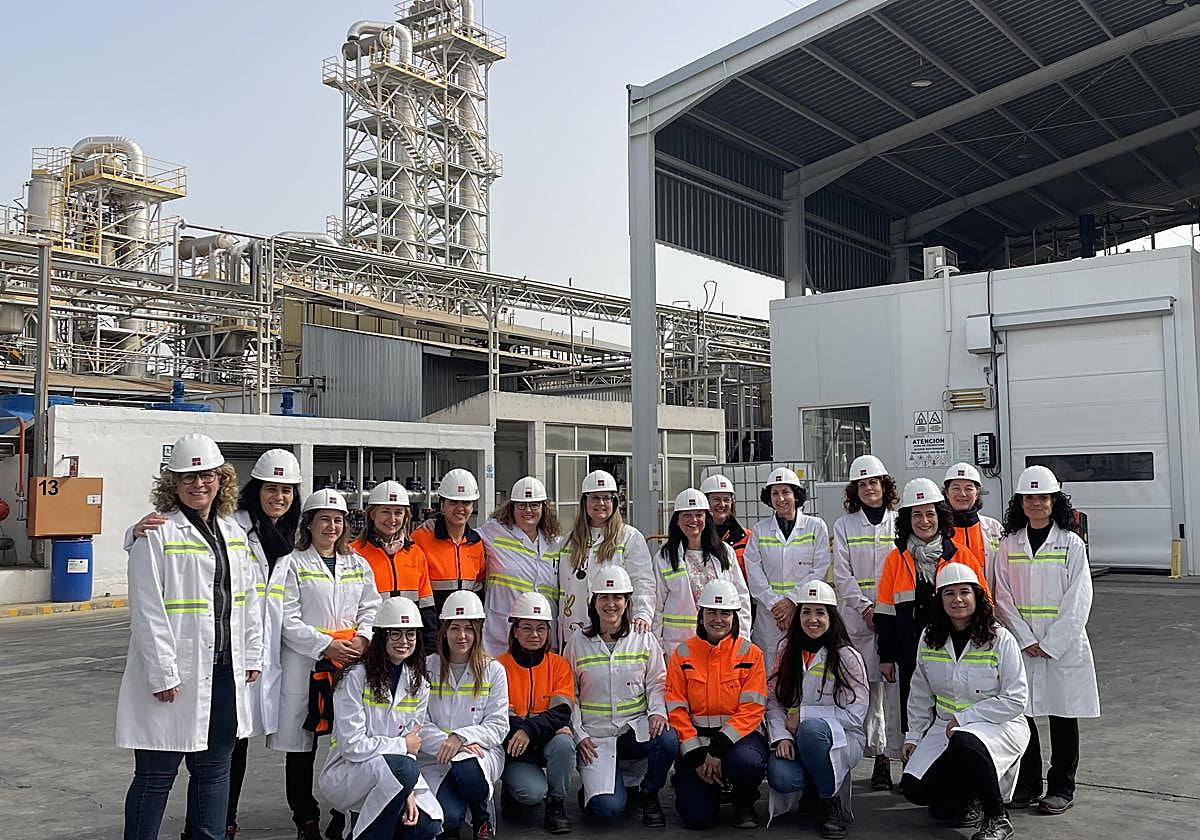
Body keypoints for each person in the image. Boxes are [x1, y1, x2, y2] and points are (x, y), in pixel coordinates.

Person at [125, 447, 301, 838]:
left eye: (207, 476)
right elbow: (148, 611)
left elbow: (249, 601)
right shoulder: (156, 533)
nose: (199, 484)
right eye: (188, 477)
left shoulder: (234, 532)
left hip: (225, 672)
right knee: (156, 776)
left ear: (222, 480)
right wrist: (162, 674)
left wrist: (252, 654)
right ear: (172, 484)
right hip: (175, 674)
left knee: (214, 772)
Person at [272, 488, 381, 840]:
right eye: (324, 519)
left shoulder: (357, 563)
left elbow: (372, 606)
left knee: (348, 741)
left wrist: (363, 638)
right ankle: (305, 818)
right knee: (302, 748)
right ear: (309, 523)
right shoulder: (292, 563)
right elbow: (286, 619)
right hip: (307, 667)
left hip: (349, 665)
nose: (331, 526)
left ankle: (342, 812)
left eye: (338, 520)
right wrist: (326, 645)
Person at [991, 465, 1099, 816]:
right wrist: (1024, 638)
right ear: (1020, 502)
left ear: (1055, 501)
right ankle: (1027, 784)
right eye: (1029, 497)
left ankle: (1062, 788)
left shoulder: (1071, 544)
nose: (1035, 503)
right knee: (1023, 715)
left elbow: (1079, 598)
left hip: (1061, 647)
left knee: (1062, 714)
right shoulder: (1009, 544)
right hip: (1022, 643)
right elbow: (1002, 596)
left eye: (1042, 497)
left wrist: (1052, 643)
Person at [900, 563, 1029, 840]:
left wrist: (965, 718)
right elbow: (920, 691)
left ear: (977, 597)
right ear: (940, 600)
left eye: (964, 592)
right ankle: (969, 799)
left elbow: (1016, 699)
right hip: (946, 724)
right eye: (949, 594)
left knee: (964, 741)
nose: (957, 599)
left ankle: (998, 818)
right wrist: (913, 736)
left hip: (998, 725)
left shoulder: (999, 638)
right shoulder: (930, 637)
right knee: (914, 788)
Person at [318, 597, 443, 840]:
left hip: (395, 773)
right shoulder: (354, 677)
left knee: (425, 826)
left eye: (410, 634)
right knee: (402, 769)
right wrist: (402, 746)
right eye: (395, 634)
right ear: (381, 636)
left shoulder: (418, 682)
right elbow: (353, 746)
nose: (404, 642)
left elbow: (409, 751)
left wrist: (406, 788)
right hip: (350, 772)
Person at [875, 478, 988, 735]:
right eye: (917, 515)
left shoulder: (960, 555)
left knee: (954, 709)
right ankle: (915, 765)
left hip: (956, 649)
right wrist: (886, 657)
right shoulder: (896, 559)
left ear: (940, 516)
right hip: (910, 650)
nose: (924, 521)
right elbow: (885, 612)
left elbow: (984, 603)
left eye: (930, 514)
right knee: (914, 712)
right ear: (907, 519)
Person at [565, 566, 676, 827]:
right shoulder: (577, 642)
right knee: (607, 810)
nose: (611, 604)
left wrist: (658, 711)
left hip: (633, 732)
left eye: (617, 597)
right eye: (604, 597)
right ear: (594, 602)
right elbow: (570, 694)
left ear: (627, 602)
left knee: (668, 739)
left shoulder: (643, 638)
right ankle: (602, 791)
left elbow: (657, 682)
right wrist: (579, 735)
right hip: (597, 738)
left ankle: (649, 792)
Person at [765, 580, 868, 839]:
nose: (813, 619)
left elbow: (856, 713)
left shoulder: (847, 656)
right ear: (798, 614)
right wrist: (781, 737)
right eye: (806, 611)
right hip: (794, 736)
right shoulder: (785, 649)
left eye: (820, 612)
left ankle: (829, 800)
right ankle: (814, 782)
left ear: (832, 617)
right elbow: (774, 701)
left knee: (811, 730)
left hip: (839, 739)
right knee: (782, 778)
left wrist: (805, 715)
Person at [666, 579, 768, 830]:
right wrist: (697, 756)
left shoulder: (751, 654)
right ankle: (706, 784)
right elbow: (676, 709)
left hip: (739, 742)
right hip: (697, 745)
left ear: (734, 616)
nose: (718, 619)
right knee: (697, 817)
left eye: (725, 613)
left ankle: (743, 801)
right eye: (711, 612)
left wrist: (718, 750)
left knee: (747, 763)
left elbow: (752, 709)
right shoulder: (682, 655)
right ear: (700, 616)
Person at [831, 454, 902, 791]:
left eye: (874, 482)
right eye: (862, 484)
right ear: (855, 490)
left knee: (894, 689)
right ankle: (870, 758)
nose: (869, 488)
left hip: (894, 616)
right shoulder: (844, 526)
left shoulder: (900, 521)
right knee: (865, 691)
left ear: (885, 485)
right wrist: (865, 608)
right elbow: (842, 575)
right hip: (859, 620)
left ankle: (895, 756)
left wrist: (886, 608)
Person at [419, 590, 509, 840]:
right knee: (448, 817)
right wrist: (450, 744)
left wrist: (461, 737)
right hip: (436, 756)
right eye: (454, 628)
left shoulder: (494, 670)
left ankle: (482, 819)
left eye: (469, 628)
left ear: (478, 631)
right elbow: (418, 722)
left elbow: (498, 725)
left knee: (467, 766)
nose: (462, 636)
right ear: (444, 630)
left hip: (480, 755)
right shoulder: (427, 668)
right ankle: (459, 814)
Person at [496, 592, 576, 834]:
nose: (534, 635)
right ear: (515, 631)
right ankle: (512, 793)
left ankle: (556, 804)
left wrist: (529, 730)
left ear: (548, 632)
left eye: (540, 629)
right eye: (527, 628)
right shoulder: (499, 667)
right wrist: (531, 729)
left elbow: (562, 711)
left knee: (564, 742)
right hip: (515, 749)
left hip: (542, 742)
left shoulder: (559, 665)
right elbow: (500, 716)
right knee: (531, 793)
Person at [558, 470, 654, 647]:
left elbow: (643, 582)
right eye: (595, 497)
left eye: (607, 498)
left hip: (615, 630)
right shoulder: (568, 542)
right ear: (584, 502)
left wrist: (642, 614)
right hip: (574, 632)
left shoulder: (629, 537)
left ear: (614, 502)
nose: (601, 503)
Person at [743, 467, 831, 661]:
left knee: (804, 671)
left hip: (803, 612)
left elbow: (820, 568)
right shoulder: (760, 530)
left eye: (786, 492)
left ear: (796, 495)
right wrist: (776, 606)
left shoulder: (815, 526)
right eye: (775, 493)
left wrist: (792, 602)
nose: (780, 498)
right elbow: (753, 570)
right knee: (770, 673)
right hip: (771, 617)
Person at [654, 488, 751, 658]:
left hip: (721, 642)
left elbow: (741, 597)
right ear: (677, 520)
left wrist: (742, 639)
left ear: (707, 518)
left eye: (699, 515)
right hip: (680, 645)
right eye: (686, 515)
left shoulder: (724, 552)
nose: (693, 520)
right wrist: (657, 650)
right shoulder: (664, 557)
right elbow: (656, 608)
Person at [480, 476, 564, 656]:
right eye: (522, 505)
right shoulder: (494, 533)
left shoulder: (555, 542)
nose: (528, 510)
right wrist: (434, 525)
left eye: (534, 505)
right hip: (502, 636)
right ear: (512, 507)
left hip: (543, 636)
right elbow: (460, 535)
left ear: (543, 508)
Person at [353, 480, 437, 651]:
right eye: (385, 512)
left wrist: (429, 650)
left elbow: (427, 607)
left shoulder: (415, 554)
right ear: (372, 514)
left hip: (406, 646)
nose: (392, 519)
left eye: (398, 513)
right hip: (370, 643)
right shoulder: (354, 553)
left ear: (406, 516)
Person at [411, 469, 486, 614]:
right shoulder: (421, 538)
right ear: (442, 505)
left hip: (466, 627)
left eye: (466, 503)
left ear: (473, 506)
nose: (460, 508)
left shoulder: (477, 542)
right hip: (433, 625)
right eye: (453, 502)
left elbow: (479, 587)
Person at [944, 463, 1004, 590]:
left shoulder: (994, 528)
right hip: (952, 604)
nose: (963, 494)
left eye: (969, 488)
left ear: (977, 494)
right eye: (956, 488)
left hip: (987, 602)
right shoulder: (939, 530)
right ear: (947, 493)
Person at [700, 474, 749, 578]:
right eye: (716, 499)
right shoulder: (695, 538)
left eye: (727, 499)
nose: (722, 504)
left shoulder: (747, 537)